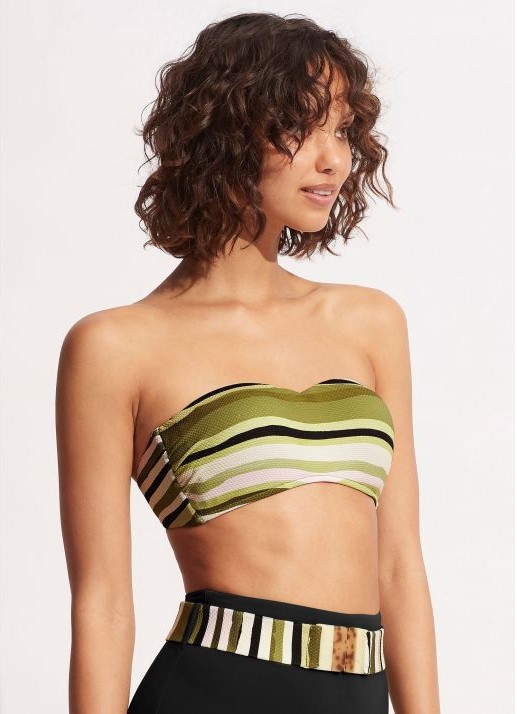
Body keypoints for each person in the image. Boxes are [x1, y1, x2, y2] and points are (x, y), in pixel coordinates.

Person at [56, 11, 441, 714]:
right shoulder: (116, 346)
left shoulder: (369, 322)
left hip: (360, 690)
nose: (333, 159)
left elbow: (399, 566)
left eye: (343, 130)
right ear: (227, 133)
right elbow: (103, 601)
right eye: (302, 127)